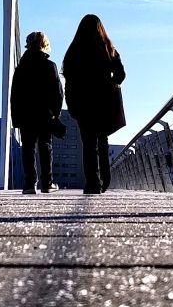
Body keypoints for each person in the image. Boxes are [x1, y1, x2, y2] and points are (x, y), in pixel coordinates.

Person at [62, 14, 126, 194]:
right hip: (103, 100)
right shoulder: (108, 49)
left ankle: (92, 182)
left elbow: (68, 76)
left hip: (82, 101)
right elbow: (121, 75)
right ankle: (105, 179)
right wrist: (110, 81)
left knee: (88, 143)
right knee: (102, 140)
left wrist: (72, 102)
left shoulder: (74, 50)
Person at [10, 30, 63, 195]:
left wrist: (16, 118)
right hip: (44, 114)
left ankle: (29, 184)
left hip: (26, 114)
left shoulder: (21, 68)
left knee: (28, 148)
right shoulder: (49, 66)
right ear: (44, 45)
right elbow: (58, 93)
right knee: (45, 146)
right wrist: (55, 113)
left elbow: (15, 95)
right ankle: (47, 182)